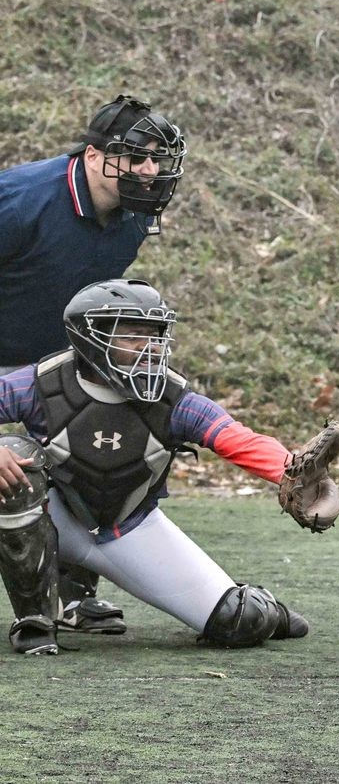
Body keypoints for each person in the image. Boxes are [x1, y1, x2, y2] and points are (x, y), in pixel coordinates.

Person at [0, 279, 330, 655]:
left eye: (154, 336)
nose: (150, 347)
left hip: (128, 527)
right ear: (89, 337)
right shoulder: (43, 382)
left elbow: (236, 439)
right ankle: (36, 619)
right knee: (11, 457)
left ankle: (262, 606)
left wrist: (294, 472)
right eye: (132, 336)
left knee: (238, 621)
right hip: (55, 518)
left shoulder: (174, 398)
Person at [0, 94, 187, 635]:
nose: (148, 171)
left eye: (157, 159)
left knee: (115, 428)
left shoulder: (134, 216)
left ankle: (74, 595)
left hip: (49, 359)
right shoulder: (19, 201)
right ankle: (34, 607)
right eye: (136, 156)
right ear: (92, 155)